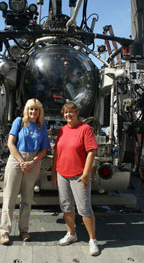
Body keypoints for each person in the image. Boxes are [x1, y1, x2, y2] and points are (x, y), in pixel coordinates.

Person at [0, 98, 50, 245]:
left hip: (33, 161)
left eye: (36, 109)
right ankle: (5, 231)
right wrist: (22, 162)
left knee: (27, 198)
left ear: (40, 112)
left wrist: (32, 162)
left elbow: (44, 149)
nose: (33, 112)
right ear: (27, 110)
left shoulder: (42, 127)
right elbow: (10, 143)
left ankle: (24, 230)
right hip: (17, 159)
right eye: (31, 109)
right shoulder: (19, 122)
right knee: (10, 197)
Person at [51, 102, 99, 256]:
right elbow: (56, 154)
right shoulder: (62, 131)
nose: (68, 115)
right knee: (66, 207)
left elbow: (91, 152)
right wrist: (54, 174)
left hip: (79, 176)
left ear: (77, 113)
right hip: (62, 174)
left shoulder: (85, 129)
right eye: (65, 113)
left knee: (84, 209)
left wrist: (86, 174)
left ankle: (92, 240)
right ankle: (71, 234)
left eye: (71, 112)